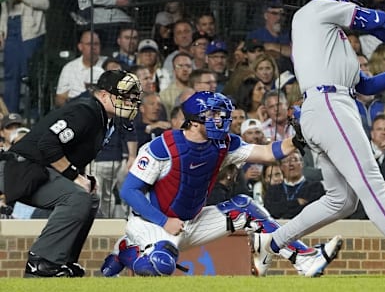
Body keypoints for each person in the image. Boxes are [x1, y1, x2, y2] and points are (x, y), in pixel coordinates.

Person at [252, 0, 385, 278]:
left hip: (329, 106)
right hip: (329, 106)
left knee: (342, 200)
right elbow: (376, 19)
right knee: (372, 184)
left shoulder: (327, 38)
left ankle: (272, 242)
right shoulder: (317, 9)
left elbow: (364, 85)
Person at [101, 91, 343, 278]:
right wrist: (164, 221)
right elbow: (129, 191)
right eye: (214, 115)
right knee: (160, 265)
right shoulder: (162, 146)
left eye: (222, 115)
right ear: (194, 122)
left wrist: (298, 138)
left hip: (191, 221)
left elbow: (268, 153)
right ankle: (125, 250)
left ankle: (305, 260)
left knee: (246, 208)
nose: (222, 120)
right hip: (152, 223)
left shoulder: (223, 144)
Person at [0, 70, 141, 277]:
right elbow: (48, 144)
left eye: (132, 97)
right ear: (103, 95)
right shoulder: (85, 111)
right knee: (77, 197)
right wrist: (75, 178)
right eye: (124, 96)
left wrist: (82, 177)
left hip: (36, 170)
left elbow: (69, 153)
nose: (129, 101)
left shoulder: (104, 118)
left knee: (90, 199)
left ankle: (63, 262)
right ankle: (41, 263)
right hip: (17, 170)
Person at [0, 0, 49, 113]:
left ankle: (35, 113)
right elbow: (4, 9)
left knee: (29, 74)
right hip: (11, 28)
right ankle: (10, 116)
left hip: (29, 29)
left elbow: (44, 3)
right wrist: (1, 31)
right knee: (10, 75)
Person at [264, 150, 325, 219]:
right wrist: (296, 202)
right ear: (281, 167)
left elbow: (312, 212)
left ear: (302, 164)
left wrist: (281, 208)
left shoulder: (316, 187)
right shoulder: (273, 190)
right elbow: (269, 211)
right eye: (286, 161)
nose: (291, 164)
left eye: (294, 160)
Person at [55, 30, 105, 107]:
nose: (93, 47)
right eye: (89, 44)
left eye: (96, 44)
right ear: (80, 47)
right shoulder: (69, 68)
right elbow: (60, 97)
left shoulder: (108, 64)